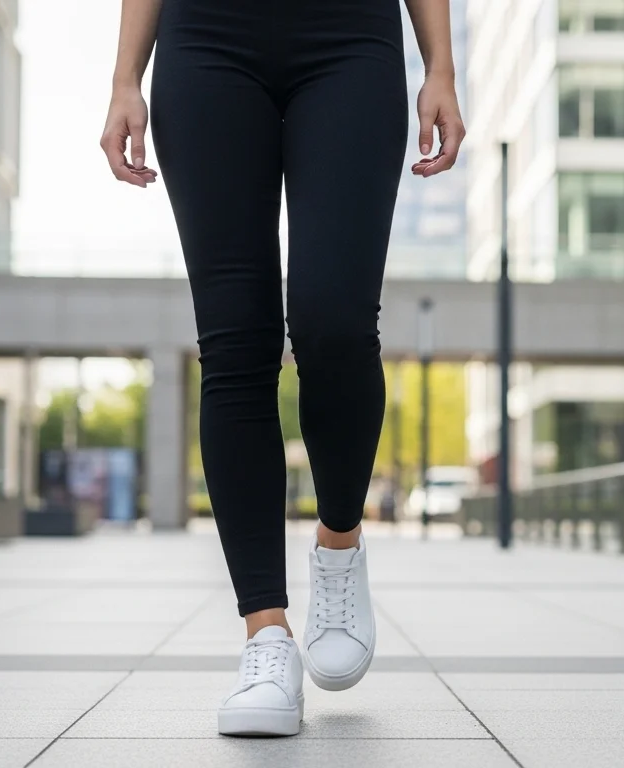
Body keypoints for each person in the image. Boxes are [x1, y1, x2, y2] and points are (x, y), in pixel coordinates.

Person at [101, 0, 464, 738]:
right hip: (205, 41)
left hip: (349, 39)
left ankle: (338, 545)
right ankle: (266, 637)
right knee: (235, 346)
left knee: (333, 321)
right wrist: (124, 79)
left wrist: (440, 67)